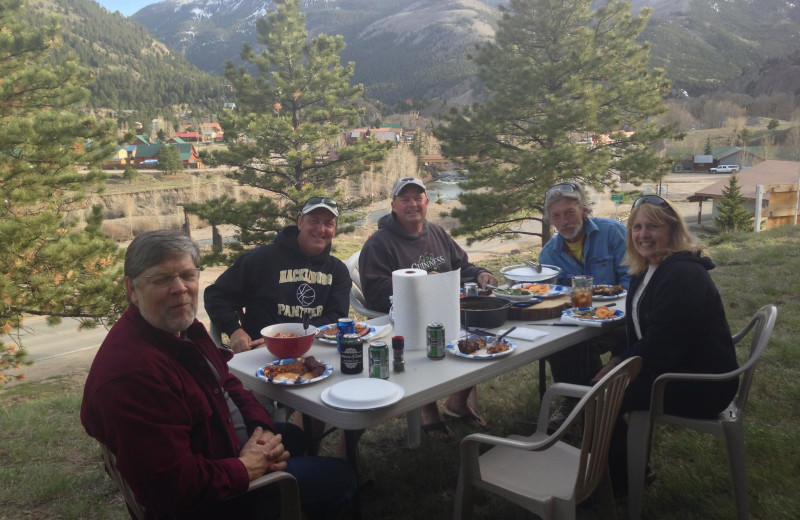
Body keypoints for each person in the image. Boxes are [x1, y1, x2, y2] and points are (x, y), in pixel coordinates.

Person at [81, 230, 355, 520]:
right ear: (132, 289)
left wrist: (263, 434)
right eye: (162, 279)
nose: (180, 289)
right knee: (342, 476)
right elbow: (171, 488)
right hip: (222, 500)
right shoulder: (133, 375)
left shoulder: (178, 328)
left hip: (224, 444)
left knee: (294, 439)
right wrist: (248, 467)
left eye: (187, 275)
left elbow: (226, 382)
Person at [594, 195, 739, 492]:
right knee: (596, 385)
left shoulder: (683, 275)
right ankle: (617, 472)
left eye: (653, 227)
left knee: (599, 398)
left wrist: (618, 371)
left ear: (672, 230)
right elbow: (638, 330)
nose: (643, 235)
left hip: (700, 383)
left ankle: (618, 484)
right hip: (676, 369)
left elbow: (661, 347)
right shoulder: (649, 269)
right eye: (636, 227)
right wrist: (617, 358)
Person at [359, 176, 499, 439]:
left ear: (427, 202)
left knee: (482, 334)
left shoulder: (436, 232)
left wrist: (480, 273)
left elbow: (462, 266)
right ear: (393, 205)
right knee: (424, 337)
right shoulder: (379, 243)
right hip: (404, 318)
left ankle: (457, 400)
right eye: (405, 199)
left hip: (448, 310)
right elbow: (374, 293)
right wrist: (422, 285)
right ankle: (427, 410)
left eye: (418, 198)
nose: (413, 204)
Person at [205, 197, 352, 353]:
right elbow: (215, 295)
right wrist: (234, 330)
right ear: (300, 222)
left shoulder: (338, 271)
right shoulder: (261, 260)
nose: (321, 229)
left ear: (334, 230)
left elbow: (336, 317)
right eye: (314, 221)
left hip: (314, 350)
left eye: (328, 223)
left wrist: (292, 339)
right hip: (261, 353)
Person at [538, 182, 631, 427]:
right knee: (558, 343)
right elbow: (552, 295)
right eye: (556, 216)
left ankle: (598, 405)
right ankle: (575, 399)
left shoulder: (612, 232)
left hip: (619, 319)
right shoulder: (548, 254)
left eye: (570, 212)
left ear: (584, 210)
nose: (565, 221)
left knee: (582, 346)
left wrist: (608, 304)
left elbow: (632, 279)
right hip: (579, 320)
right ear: (551, 220)